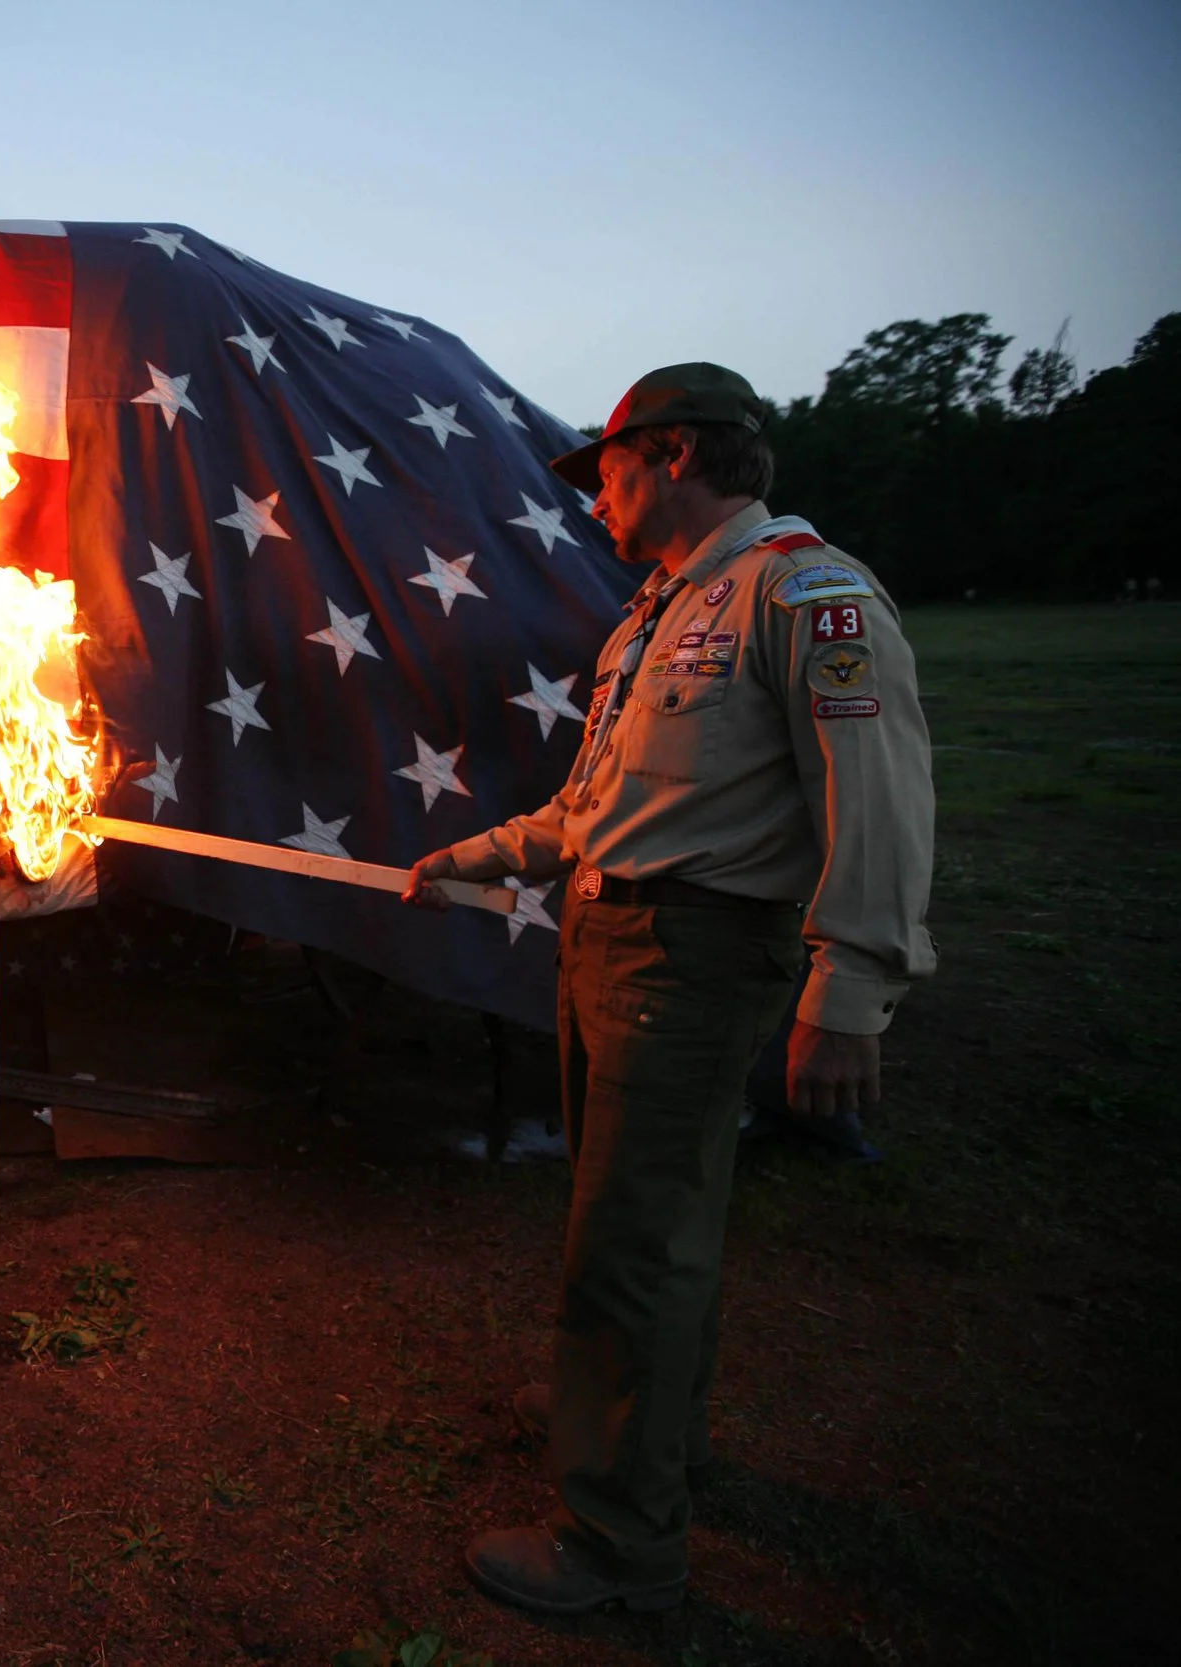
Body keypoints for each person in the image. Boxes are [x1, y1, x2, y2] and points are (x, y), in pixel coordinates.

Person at [400, 363, 936, 1615]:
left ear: (676, 453)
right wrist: (471, 858)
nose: (593, 501)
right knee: (639, 1225)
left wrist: (849, 989)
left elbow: (881, 801)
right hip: (610, 945)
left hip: (692, 958)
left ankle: (616, 1544)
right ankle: (644, 1427)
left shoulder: (807, 593)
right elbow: (601, 808)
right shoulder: (656, 613)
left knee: (631, 1247)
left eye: (608, 471)